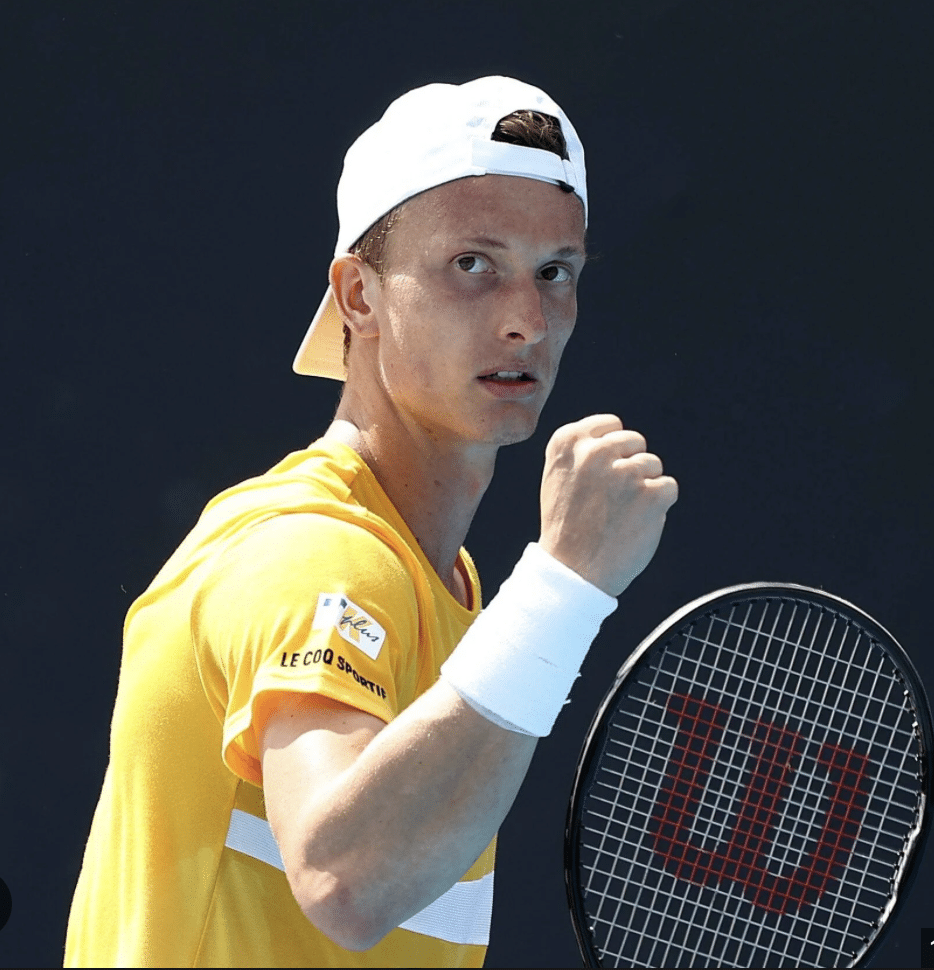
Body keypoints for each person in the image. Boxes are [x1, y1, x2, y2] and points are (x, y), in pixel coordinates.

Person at [64, 76, 677, 967]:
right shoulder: (317, 555)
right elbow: (345, 880)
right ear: (358, 295)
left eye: (555, 272)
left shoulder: (444, 586)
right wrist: (563, 587)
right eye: (472, 264)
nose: (527, 320)